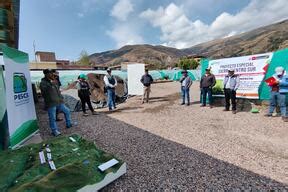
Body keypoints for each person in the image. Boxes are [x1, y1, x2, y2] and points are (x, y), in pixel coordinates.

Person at [40, 69, 73, 136]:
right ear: (46, 74)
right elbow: (44, 92)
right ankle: (54, 131)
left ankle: (69, 124)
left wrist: (61, 98)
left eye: (52, 73)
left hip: (59, 102)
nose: (52, 74)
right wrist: (50, 84)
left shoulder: (54, 81)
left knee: (67, 111)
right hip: (51, 103)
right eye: (50, 73)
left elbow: (58, 91)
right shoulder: (43, 83)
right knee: (52, 118)